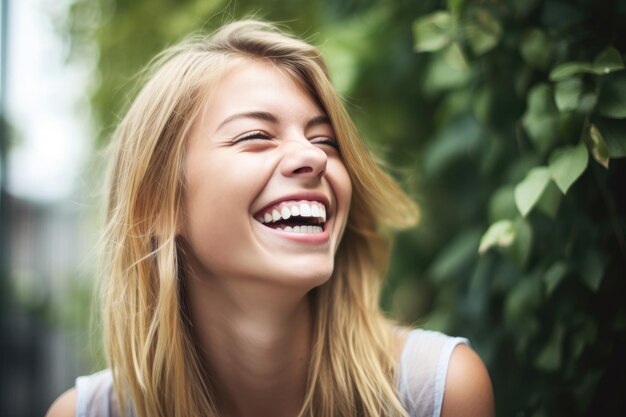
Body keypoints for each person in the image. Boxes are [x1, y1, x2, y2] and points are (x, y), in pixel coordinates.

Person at [46, 20, 494, 417]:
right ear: (157, 205)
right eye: (257, 136)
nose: (314, 157)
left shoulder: (437, 394)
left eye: (326, 140)